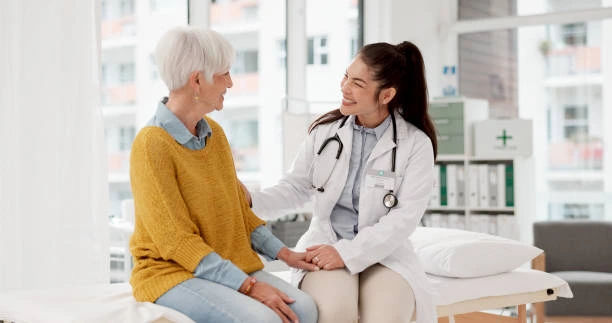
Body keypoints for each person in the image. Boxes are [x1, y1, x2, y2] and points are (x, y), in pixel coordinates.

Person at [128, 26, 318, 323]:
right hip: (172, 272)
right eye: (224, 74)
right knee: (262, 320)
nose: (230, 83)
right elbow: (176, 241)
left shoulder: (214, 134)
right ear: (197, 80)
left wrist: (284, 253)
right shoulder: (152, 145)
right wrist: (249, 287)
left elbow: (238, 213)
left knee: (306, 309)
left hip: (223, 264)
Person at [247, 41, 438, 323]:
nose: (345, 87)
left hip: (384, 252)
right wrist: (252, 200)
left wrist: (346, 253)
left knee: (385, 318)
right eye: (346, 76)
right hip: (326, 244)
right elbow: (297, 187)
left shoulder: (415, 145)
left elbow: (404, 218)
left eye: (357, 83)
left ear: (386, 95)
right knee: (335, 312)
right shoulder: (325, 133)